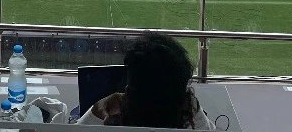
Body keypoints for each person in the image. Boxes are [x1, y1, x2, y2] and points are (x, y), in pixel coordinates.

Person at [78, 33, 213, 129]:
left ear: (129, 92)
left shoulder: (110, 114)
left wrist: (95, 111)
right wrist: (192, 107)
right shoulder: (188, 110)